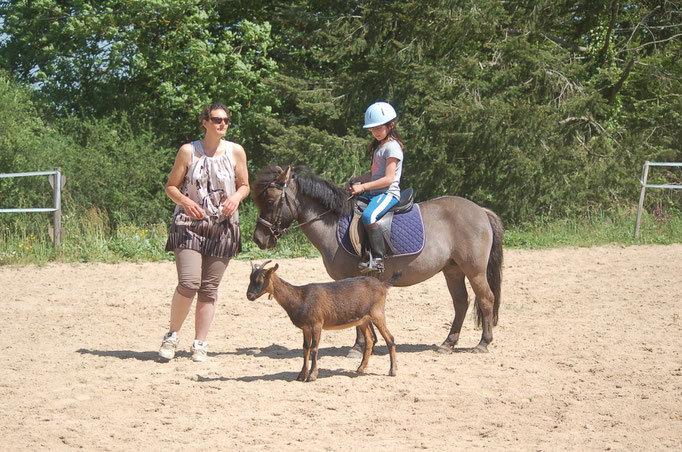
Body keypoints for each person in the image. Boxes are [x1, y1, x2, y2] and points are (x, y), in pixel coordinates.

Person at [158, 103, 250, 362]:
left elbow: (245, 185)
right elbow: (171, 187)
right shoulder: (188, 151)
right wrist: (186, 202)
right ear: (205, 122)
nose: (223, 124)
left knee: (209, 289)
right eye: (217, 119)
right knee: (189, 282)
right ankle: (172, 336)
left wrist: (236, 198)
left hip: (224, 227)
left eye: (227, 120)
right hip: (188, 225)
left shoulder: (236, 152)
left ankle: (200, 343)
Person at [346, 101, 404, 273]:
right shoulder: (380, 147)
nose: (374, 132)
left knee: (369, 216)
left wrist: (363, 188)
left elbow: (388, 179)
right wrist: (356, 180)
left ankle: (378, 259)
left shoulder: (393, 147)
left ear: (391, 125)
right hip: (376, 193)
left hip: (388, 193)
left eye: (378, 128)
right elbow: (374, 175)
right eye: (372, 129)